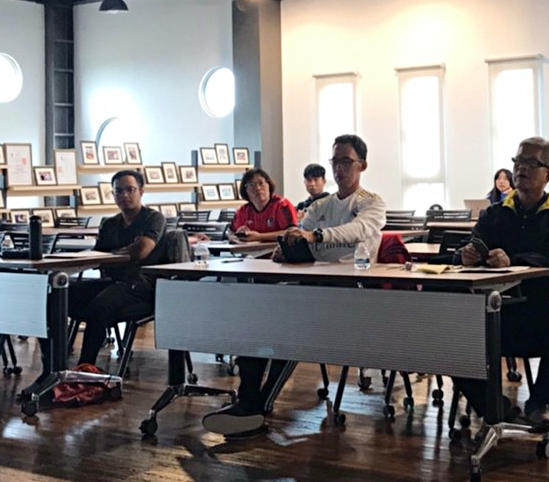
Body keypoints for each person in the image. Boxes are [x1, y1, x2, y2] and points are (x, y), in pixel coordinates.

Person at [203, 135, 387, 438]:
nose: (339, 168)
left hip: (349, 291)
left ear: (362, 165)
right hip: (310, 285)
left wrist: (317, 236)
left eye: (346, 161)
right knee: (257, 322)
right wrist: (288, 244)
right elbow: (299, 233)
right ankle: (248, 402)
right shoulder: (321, 205)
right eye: (335, 161)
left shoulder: (371, 202)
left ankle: (258, 407)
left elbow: (357, 230)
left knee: (292, 330)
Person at [452, 137, 549, 433]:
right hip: (497, 303)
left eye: (531, 163)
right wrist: (467, 254)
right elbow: (474, 243)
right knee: (449, 329)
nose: (521, 168)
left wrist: (513, 260)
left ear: (547, 173)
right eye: (518, 162)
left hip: (543, 300)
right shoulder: (495, 213)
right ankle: (494, 407)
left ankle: (539, 403)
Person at [66, 169, 179, 369]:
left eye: (130, 190)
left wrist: (114, 254)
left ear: (141, 191)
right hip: (112, 281)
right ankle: (53, 364)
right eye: (118, 191)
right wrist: (121, 252)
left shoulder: (154, 218)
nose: (124, 195)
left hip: (141, 285)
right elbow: (99, 256)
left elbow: (141, 251)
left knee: (99, 307)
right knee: (60, 295)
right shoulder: (110, 223)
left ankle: (85, 368)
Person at [228, 167, 297, 243]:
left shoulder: (281, 204)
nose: (258, 188)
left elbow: (293, 232)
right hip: (250, 250)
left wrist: (259, 237)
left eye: (261, 183)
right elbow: (230, 233)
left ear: (269, 185)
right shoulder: (243, 211)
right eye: (251, 184)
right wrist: (238, 235)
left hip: (278, 249)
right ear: (245, 190)